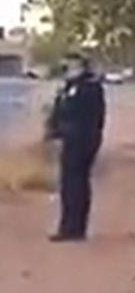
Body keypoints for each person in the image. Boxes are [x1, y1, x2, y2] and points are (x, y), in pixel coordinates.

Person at [47, 52, 106, 242]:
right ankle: (70, 226)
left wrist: (65, 130)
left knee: (75, 185)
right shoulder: (69, 86)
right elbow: (59, 111)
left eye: (71, 64)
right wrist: (53, 131)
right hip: (71, 140)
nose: (67, 68)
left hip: (82, 141)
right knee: (70, 185)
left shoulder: (90, 87)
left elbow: (89, 118)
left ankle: (74, 229)